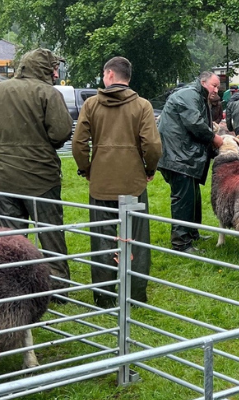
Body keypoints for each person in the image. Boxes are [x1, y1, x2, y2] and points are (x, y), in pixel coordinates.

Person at [72, 56, 162, 307]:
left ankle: (104, 297)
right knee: (137, 241)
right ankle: (136, 296)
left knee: (102, 240)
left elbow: (79, 144)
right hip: (133, 183)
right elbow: (153, 145)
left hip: (101, 183)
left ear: (110, 74)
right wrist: (149, 168)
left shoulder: (91, 105)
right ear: (127, 77)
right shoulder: (142, 106)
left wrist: (86, 169)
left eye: (103, 74)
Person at [0, 48, 73, 293]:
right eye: (53, 68)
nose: (56, 73)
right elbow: (60, 133)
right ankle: (57, 286)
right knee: (50, 233)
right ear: (43, 68)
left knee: (11, 238)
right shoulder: (48, 93)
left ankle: (13, 287)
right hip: (41, 177)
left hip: (4, 176)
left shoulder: (1, 89)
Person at [157, 71, 224, 253]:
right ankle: (181, 243)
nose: (216, 90)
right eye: (214, 85)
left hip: (184, 155)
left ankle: (192, 233)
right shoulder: (188, 95)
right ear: (203, 82)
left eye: (217, 86)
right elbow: (195, 122)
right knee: (183, 200)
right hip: (178, 157)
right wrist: (214, 138)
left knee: (192, 197)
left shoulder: (197, 96)